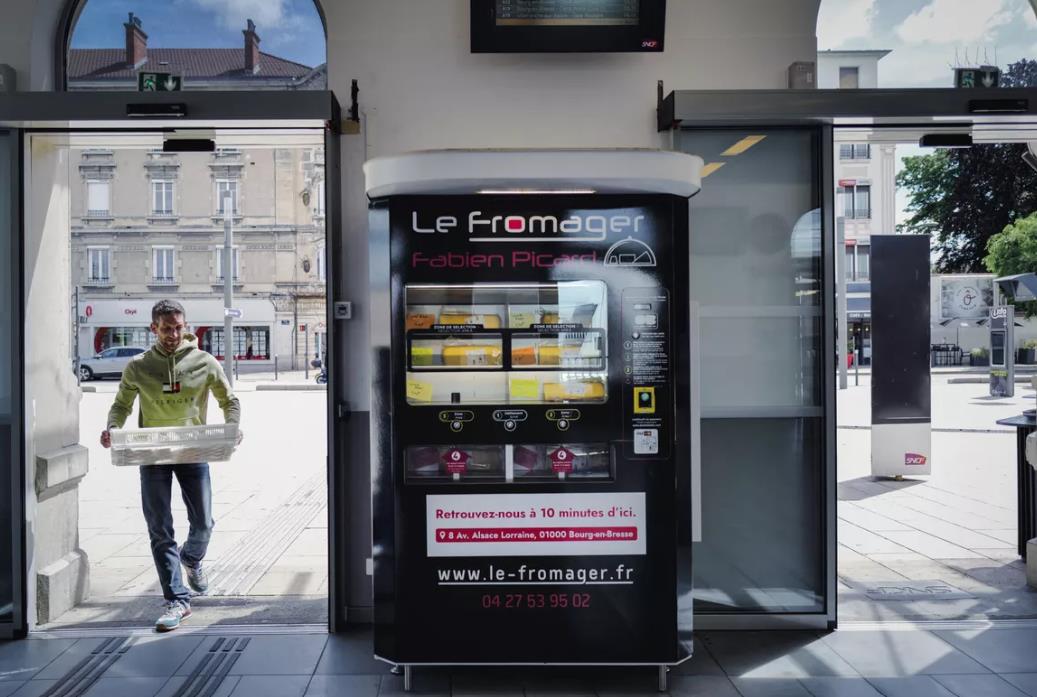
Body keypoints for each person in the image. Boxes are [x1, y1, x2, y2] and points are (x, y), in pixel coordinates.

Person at [100, 299, 241, 632]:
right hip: (153, 455)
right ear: (154, 329)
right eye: (166, 329)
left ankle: (190, 558)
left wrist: (233, 427)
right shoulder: (138, 366)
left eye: (178, 327)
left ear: (185, 326)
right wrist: (113, 429)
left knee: (204, 523)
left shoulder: (205, 362)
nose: (173, 335)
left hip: (194, 451)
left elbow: (229, 400)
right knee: (159, 529)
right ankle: (177, 600)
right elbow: (121, 404)